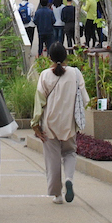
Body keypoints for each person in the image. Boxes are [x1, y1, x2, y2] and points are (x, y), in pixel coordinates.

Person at [32, 43, 89, 204]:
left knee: (52, 159)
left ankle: (57, 194)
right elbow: (84, 99)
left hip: (49, 123)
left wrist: (35, 124)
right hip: (68, 122)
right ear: (66, 56)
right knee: (70, 153)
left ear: (49, 57)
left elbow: (39, 101)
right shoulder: (75, 74)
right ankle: (69, 178)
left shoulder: (44, 75)